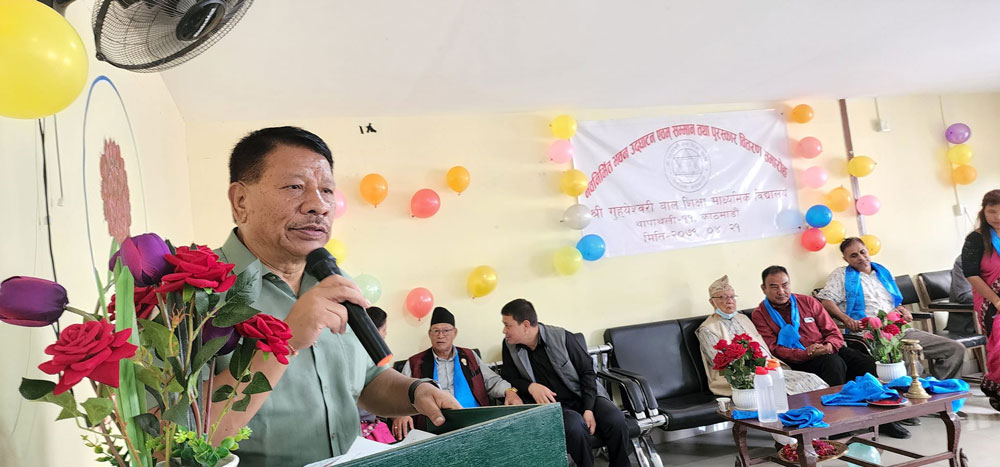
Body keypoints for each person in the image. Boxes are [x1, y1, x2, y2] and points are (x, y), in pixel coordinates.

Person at [207, 126, 460, 466]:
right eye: (295, 187)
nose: (320, 205)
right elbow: (174, 436)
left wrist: (415, 391)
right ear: (241, 201)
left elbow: (368, 381)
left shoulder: (334, 283)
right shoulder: (192, 295)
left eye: (326, 190)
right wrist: (285, 342)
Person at [751, 266, 910, 439]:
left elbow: (833, 332)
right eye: (774, 286)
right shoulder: (760, 314)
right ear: (763, 288)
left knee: (869, 364)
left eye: (785, 285)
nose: (781, 291)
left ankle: (885, 420)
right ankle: (838, 425)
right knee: (833, 364)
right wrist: (806, 354)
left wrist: (828, 346)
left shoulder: (808, 302)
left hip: (829, 348)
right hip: (800, 359)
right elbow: (774, 348)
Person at [500, 299, 631, 467]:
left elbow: (587, 372)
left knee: (616, 419)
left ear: (525, 325)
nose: (504, 331)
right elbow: (509, 378)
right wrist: (531, 387)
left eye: (508, 325)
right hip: (554, 407)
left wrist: (589, 409)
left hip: (584, 395)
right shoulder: (509, 346)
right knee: (575, 426)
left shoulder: (561, 337)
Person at [817, 237, 966, 380]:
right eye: (854, 255)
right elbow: (826, 301)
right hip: (870, 335)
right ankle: (915, 393)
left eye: (862, 252)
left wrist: (902, 310)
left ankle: (940, 389)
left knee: (954, 349)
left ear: (868, 250)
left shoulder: (882, 272)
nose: (861, 258)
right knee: (910, 362)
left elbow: (893, 302)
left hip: (899, 330)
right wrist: (846, 319)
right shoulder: (841, 275)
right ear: (845, 259)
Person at [393, 307, 522, 438]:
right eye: (436, 331)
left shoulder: (469, 356)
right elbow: (401, 394)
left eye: (446, 330)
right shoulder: (415, 363)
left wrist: (509, 391)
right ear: (429, 334)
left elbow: (491, 380)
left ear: (455, 333)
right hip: (435, 426)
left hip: (474, 422)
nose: (440, 335)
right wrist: (401, 413)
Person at [695, 275, 827, 396]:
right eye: (723, 297)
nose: (729, 301)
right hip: (737, 376)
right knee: (783, 387)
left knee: (812, 380)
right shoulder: (707, 328)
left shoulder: (743, 318)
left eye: (732, 297)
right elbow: (718, 362)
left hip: (766, 368)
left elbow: (762, 349)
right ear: (712, 302)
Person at [961, 189, 1000, 409]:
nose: (997, 217)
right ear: (983, 211)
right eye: (992, 211)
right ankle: (996, 385)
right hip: (990, 301)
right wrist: (996, 300)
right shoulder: (976, 239)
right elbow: (971, 274)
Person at [359, 307, 395, 443]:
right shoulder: (372, 358)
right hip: (364, 429)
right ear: (374, 331)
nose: (386, 334)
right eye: (384, 330)